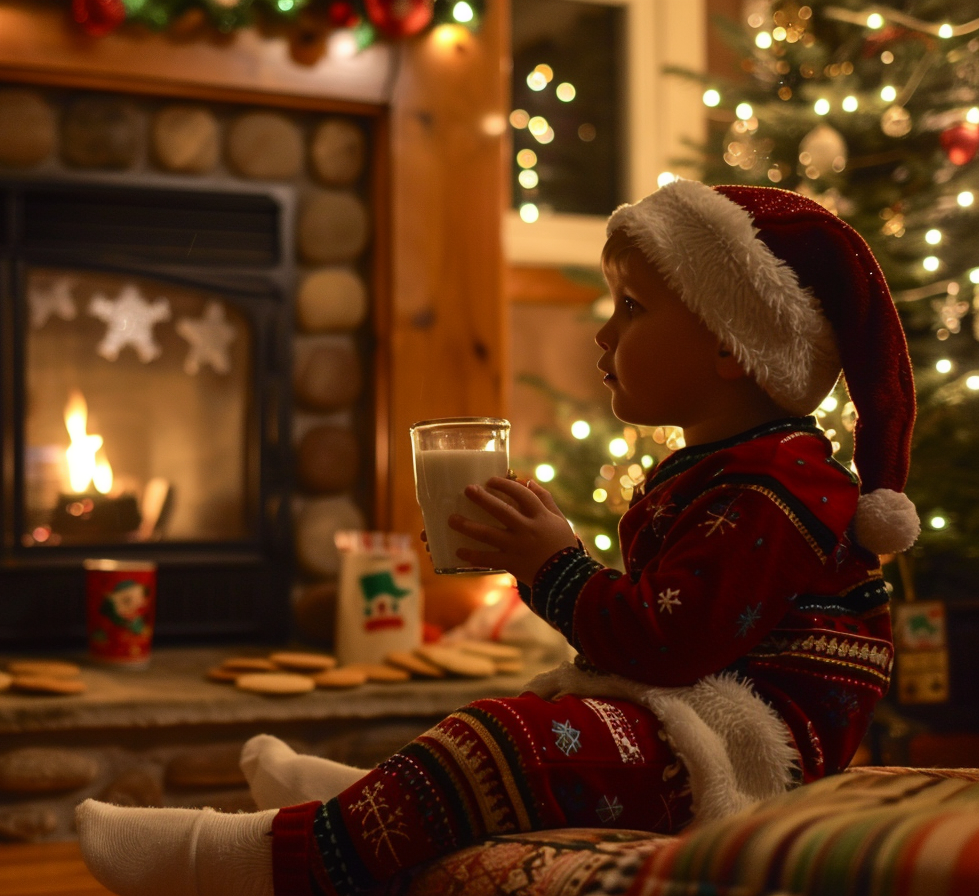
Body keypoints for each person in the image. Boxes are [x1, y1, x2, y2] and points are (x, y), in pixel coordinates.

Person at [75, 180, 920, 896]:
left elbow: (668, 641)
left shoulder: (775, 489)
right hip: (693, 716)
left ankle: (249, 857)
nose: (603, 332)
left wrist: (551, 563)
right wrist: (545, 553)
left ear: (735, 345)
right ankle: (357, 808)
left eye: (631, 306)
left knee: (514, 739)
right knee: (524, 731)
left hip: (746, 753)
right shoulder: (731, 468)